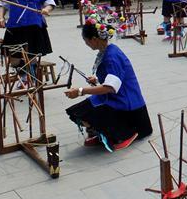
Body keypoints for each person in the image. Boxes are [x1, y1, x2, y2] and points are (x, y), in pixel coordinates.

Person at [65, 18, 153, 151]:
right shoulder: (108, 50)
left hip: (126, 101)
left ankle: (126, 134)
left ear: (94, 39)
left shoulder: (111, 57)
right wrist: (96, 81)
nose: (86, 44)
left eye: (86, 41)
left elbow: (110, 87)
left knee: (81, 112)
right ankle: (103, 132)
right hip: (117, 96)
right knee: (77, 111)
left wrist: (81, 91)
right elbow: (112, 80)